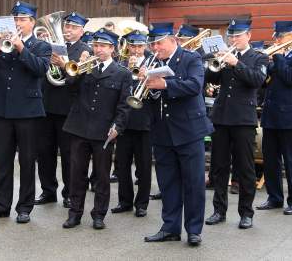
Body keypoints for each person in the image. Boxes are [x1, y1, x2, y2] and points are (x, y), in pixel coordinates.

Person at [0, 1, 51, 224]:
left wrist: (21, 47)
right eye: (16, 19)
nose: (18, 23)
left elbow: (40, 69)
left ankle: (25, 207)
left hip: (28, 111)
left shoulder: (41, 46)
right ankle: (1, 205)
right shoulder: (1, 43)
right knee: (3, 160)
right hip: (3, 110)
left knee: (27, 161)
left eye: (22, 19)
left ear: (31, 22)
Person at [143, 22, 214, 246]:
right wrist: (146, 86)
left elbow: (194, 86)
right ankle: (170, 227)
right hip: (162, 130)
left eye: (159, 43)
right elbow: (150, 97)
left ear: (173, 40)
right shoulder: (152, 61)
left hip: (189, 131)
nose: (156, 47)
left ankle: (194, 229)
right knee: (168, 183)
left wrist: (164, 84)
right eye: (153, 43)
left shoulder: (191, 58)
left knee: (193, 183)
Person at [62, 28, 132, 230]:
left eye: (102, 46)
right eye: (95, 45)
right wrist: (79, 67)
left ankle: (99, 214)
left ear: (112, 48)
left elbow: (124, 104)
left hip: (104, 131)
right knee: (77, 174)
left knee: (102, 176)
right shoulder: (85, 68)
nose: (98, 49)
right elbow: (69, 85)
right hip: (79, 127)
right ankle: (74, 213)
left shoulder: (122, 73)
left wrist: (118, 126)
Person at [204, 18, 268, 229]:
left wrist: (236, 63)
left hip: (243, 120)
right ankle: (219, 211)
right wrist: (213, 63)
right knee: (219, 167)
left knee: (245, 168)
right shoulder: (224, 56)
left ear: (248, 36)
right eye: (230, 36)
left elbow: (257, 80)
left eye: (237, 35)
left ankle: (246, 213)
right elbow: (209, 78)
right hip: (222, 118)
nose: (233, 39)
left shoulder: (259, 57)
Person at [35, 12, 91, 208]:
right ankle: (48, 191)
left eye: (73, 27)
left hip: (69, 108)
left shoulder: (85, 51)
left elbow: (77, 78)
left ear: (82, 31)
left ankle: (69, 193)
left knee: (69, 155)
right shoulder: (48, 45)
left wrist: (63, 64)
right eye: (66, 26)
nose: (68, 30)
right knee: (44, 152)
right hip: (47, 105)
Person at [257, 21, 292, 215]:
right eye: (276, 36)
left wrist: (278, 58)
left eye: (280, 37)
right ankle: (274, 197)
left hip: (290, 116)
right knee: (271, 160)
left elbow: (290, 78)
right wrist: (265, 63)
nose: (276, 40)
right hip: (271, 115)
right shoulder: (275, 58)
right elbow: (263, 82)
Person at [111, 30, 152, 217]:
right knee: (122, 164)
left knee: (143, 166)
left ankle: (142, 203)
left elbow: (157, 94)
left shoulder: (153, 64)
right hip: (124, 121)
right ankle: (124, 201)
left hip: (144, 121)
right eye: (133, 46)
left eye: (139, 46)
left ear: (145, 46)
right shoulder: (121, 65)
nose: (136, 50)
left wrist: (146, 76)